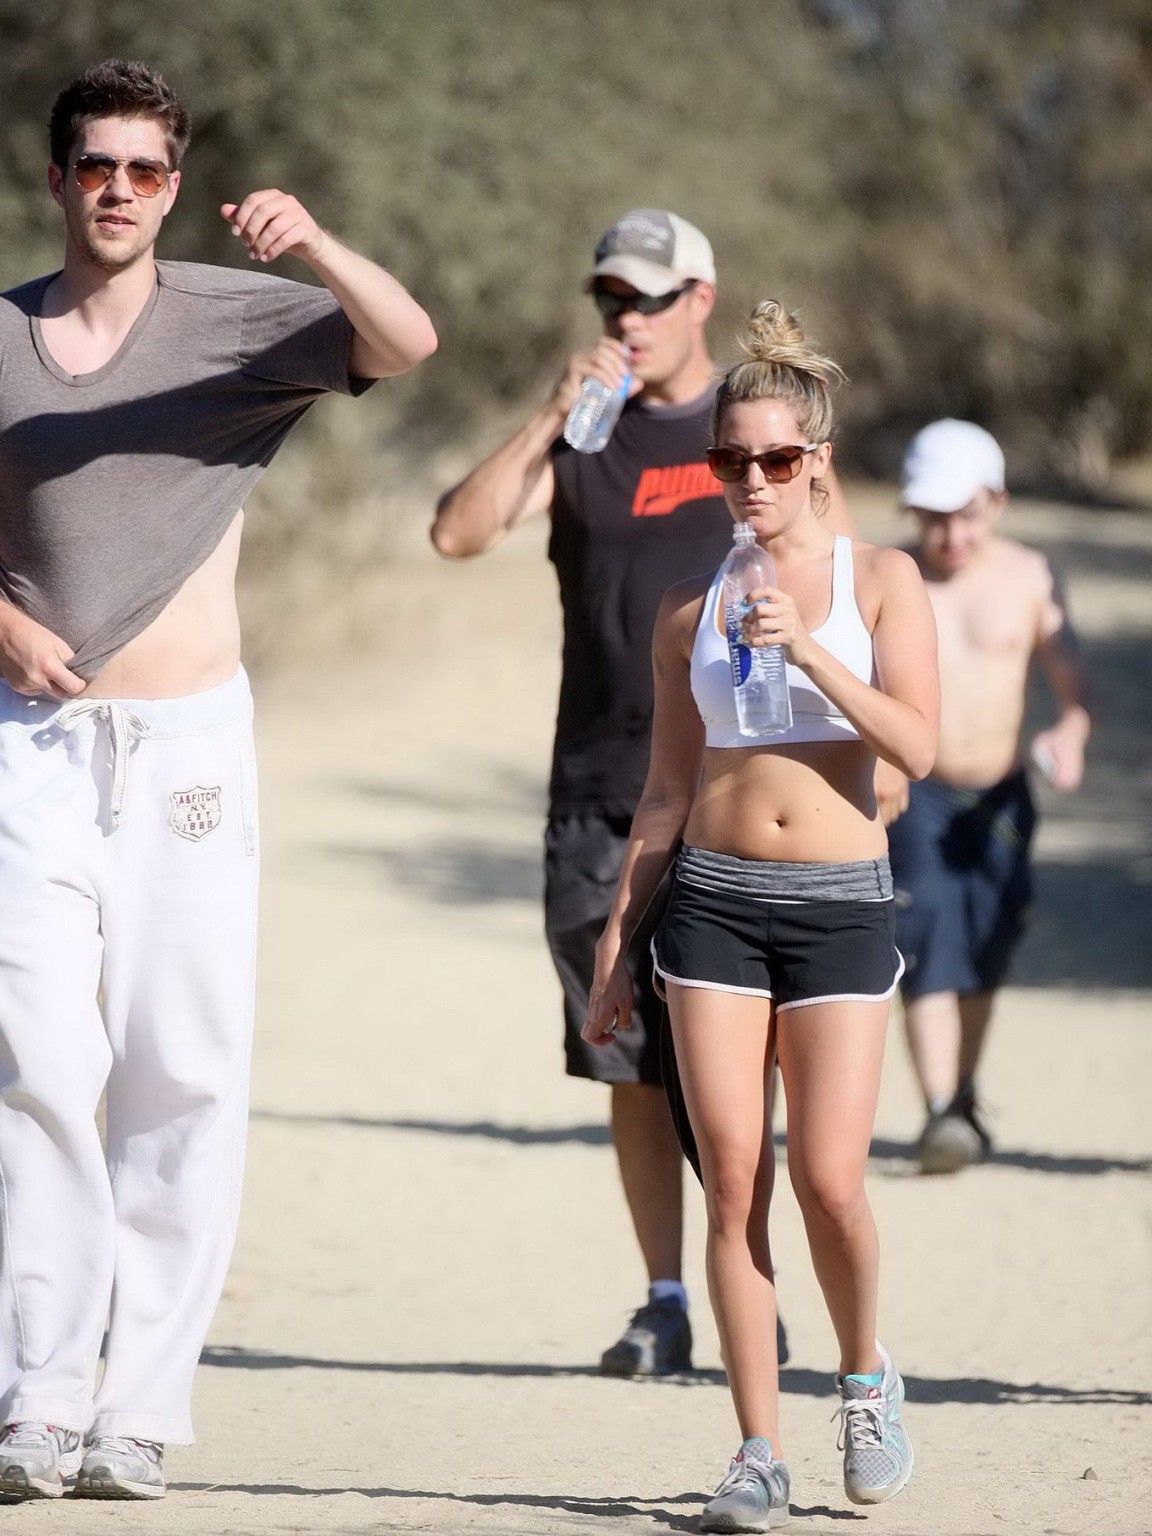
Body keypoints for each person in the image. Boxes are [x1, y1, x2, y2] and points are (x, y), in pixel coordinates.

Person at [0, 59, 436, 1500]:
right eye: (95, 165)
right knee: (39, 1069)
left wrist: (309, 243)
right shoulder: (1, 336)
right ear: (57, 178)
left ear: (174, 185)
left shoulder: (240, 319)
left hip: (187, 748)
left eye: (143, 169)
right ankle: (41, 1399)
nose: (117, 190)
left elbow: (407, 338)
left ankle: (140, 1408)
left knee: (179, 1071)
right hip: (33, 751)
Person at [433, 211, 850, 1377]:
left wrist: (871, 765)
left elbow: (843, 576)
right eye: (612, 295)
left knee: (739, 1061)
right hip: (601, 784)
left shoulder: (752, 434)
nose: (628, 317)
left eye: (652, 298)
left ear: (701, 300)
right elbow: (457, 534)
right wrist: (553, 417)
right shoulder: (586, 432)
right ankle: (665, 1300)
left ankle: (750, 1293)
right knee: (625, 1055)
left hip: (746, 791)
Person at [583, 301, 937, 1529]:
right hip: (716, 908)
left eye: (775, 460)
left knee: (831, 1181)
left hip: (840, 903)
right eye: (729, 461)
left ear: (818, 461)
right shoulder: (688, 607)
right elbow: (665, 794)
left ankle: (863, 1378)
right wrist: (617, 949)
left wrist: (818, 655)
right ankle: (755, 1449)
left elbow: (919, 748)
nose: (749, 481)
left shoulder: (881, 582)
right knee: (733, 1181)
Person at [877, 420, 1091, 1174]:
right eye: (932, 516)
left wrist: (1071, 729)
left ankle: (964, 1095)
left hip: (1001, 797)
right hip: (916, 790)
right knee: (926, 937)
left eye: (964, 514)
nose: (949, 534)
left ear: (995, 502)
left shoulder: (1031, 578)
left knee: (987, 947)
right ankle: (938, 1110)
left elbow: (1070, 679)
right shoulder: (889, 578)